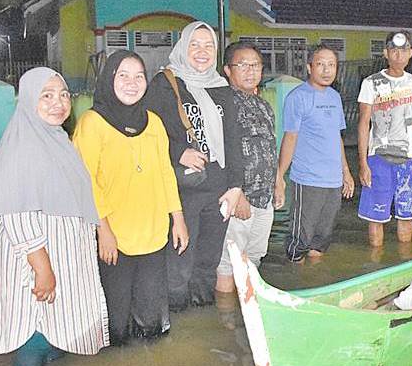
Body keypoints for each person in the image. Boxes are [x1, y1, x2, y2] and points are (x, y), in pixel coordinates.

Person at [0, 67, 108, 366]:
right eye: (46, 96)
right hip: (35, 262)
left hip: (59, 252)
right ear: (28, 101)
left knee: (55, 330)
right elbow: (16, 215)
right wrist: (43, 269)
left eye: (64, 95)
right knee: (33, 333)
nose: (58, 103)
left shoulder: (57, 140)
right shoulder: (21, 147)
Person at [73, 50, 188, 345]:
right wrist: (104, 231)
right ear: (109, 78)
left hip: (151, 233)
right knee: (116, 323)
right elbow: (85, 182)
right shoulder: (92, 122)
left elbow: (164, 173)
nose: (131, 83)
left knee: (151, 320)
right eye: (123, 75)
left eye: (139, 76)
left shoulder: (153, 122)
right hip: (113, 237)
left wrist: (178, 218)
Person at [142, 21, 244, 311]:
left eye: (208, 45)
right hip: (184, 188)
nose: (202, 52)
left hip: (219, 189)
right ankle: (175, 326)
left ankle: (203, 330)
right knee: (179, 263)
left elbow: (232, 139)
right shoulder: (165, 83)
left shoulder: (221, 86)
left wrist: (236, 186)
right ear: (183, 47)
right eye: (194, 45)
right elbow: (149, 131)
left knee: (207, 263)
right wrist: (178, 152)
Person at [274, 45, 355, 262]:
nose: (326, 70)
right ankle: (295, 278)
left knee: (322, 238)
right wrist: (280, 176)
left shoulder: (335, 97)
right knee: (300, 237)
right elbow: (290, 137)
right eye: (320, 64)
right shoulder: (297, 97)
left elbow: (336, 137)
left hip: (333, 181)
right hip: (308, 180)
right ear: (310, 67)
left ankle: (315, 279)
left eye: (331, 65)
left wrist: (346, 172)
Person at [357, 30, 412, 246]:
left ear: (411, 54)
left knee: (406, 217)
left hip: (407, 160)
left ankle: (404, 262)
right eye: (394, 51)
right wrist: (362, 162)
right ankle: (376, 261)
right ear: (385, 53)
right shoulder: (371, 83)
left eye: (403, 50)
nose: (398, 55)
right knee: (375, 217)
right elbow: (364, 123)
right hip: (377, 158)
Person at [215, 42, 277, 292]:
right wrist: (235, 191)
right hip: (240, 198)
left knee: (253, 260)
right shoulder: (223, 104)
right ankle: (225, 321)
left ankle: (246, 316)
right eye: (242, 65)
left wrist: (278, 183)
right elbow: (221, 153)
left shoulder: (264, 105)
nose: (250, 71)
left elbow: (270, 146)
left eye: (255, 65)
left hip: (265, 198)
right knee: (228, 264)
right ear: (228, 70)